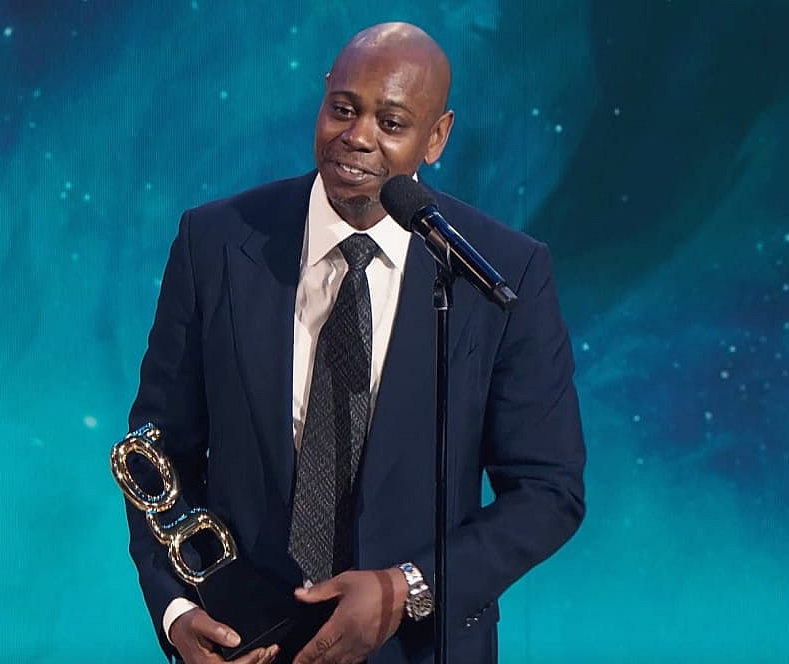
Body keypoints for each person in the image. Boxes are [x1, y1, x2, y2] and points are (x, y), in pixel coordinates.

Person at [123, 22, 586, 664]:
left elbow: (547, 490)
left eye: (391, 123)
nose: (358, 137)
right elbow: (154, 453)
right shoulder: (216, 244)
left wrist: (407, 588)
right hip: (246, 646)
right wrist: (177, 611)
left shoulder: (500, 275)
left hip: (421, 649)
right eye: (343, 108)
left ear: (436, 138)